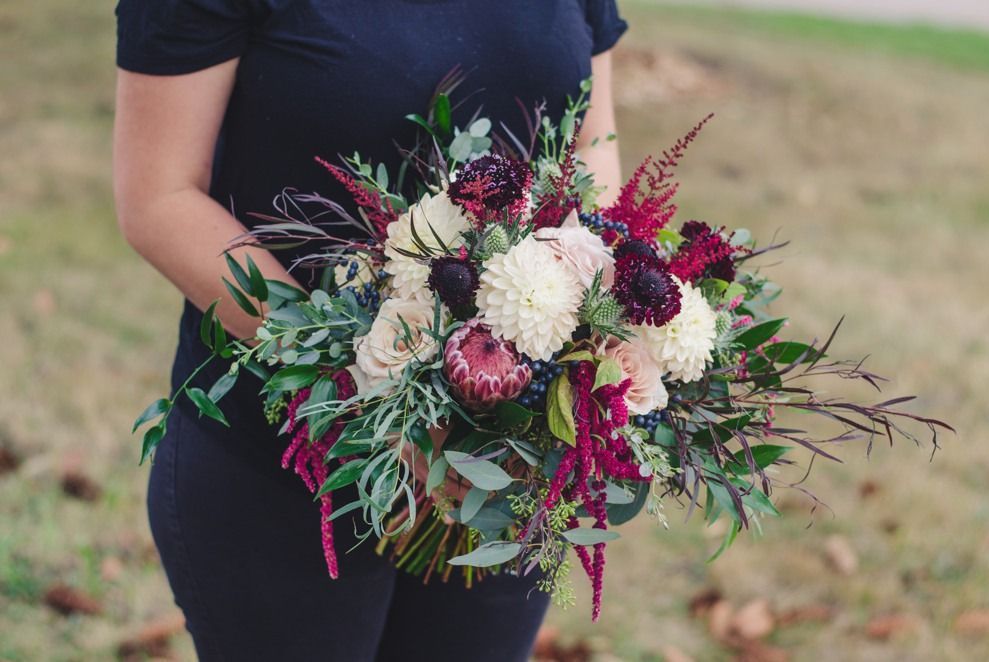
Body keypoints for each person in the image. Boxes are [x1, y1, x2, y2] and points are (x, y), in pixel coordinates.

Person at [113, 1, 627, 659]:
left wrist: (587, 325)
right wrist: (376, 389)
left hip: (510, 461)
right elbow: (160, 198)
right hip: (284, 460)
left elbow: (592, 149)